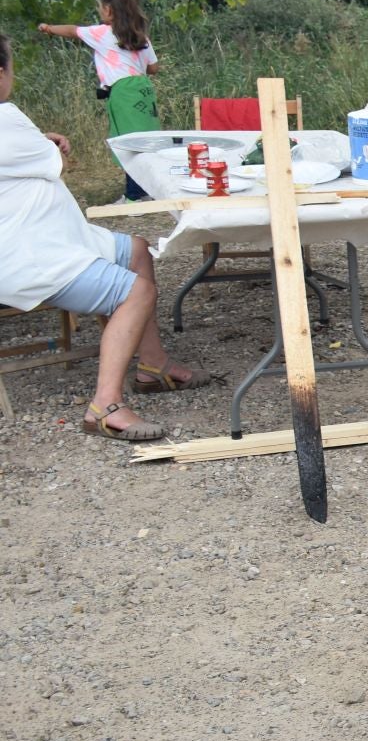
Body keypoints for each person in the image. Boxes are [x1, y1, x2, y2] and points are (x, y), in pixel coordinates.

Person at [0, 34, 212, 440]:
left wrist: (39, 142)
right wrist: (48, 149)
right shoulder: (4, 114)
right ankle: (106, 406)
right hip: (27, 254)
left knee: (136, 250)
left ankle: (153, 366)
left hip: (48, 235)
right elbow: (54, 164)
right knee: (137, 291)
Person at [36, 0, 159, 202]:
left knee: (127, 143)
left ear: (109, 10)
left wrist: (49, 28)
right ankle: (148, 189)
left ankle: (134, 196)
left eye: (100, 6)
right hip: (144, 90)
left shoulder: (102, 33)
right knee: (145, 141)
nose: (99, 10)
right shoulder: (141, 38)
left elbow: (73, 30)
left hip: (123, 93)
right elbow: (154, 68)